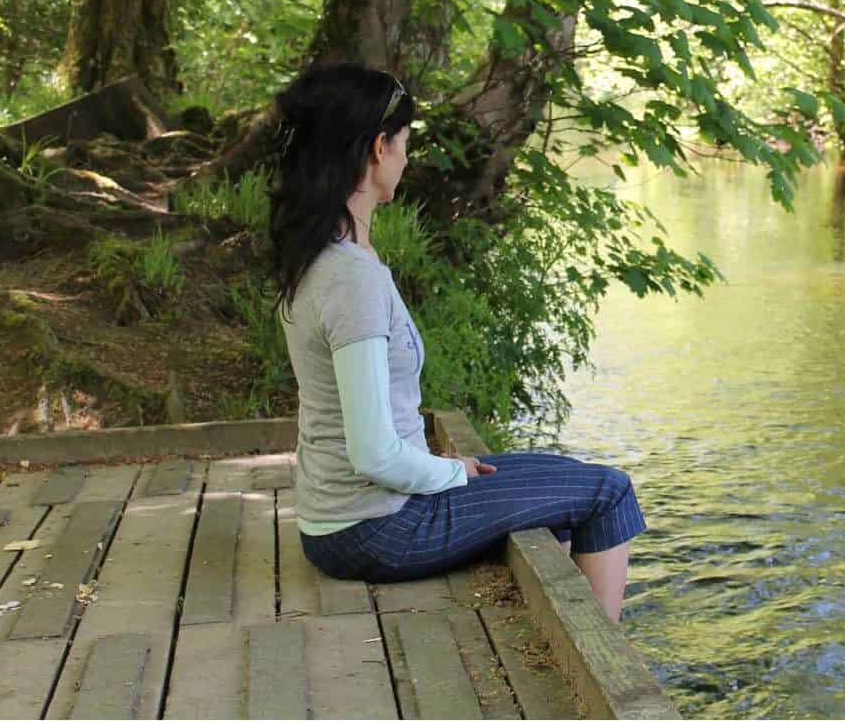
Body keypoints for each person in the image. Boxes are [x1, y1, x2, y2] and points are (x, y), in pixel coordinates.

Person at [269, 65, 644, 622]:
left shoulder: (322, 256)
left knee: (558, 484)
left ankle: (582, 636)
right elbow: (373, 454)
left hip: (344, 517)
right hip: (377, 527)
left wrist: (435, 465)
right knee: (609, 493)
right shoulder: (351, 279)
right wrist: (448, 472)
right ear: (378, 147)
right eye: (404, 143)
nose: (406, 158)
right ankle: (602, 661)